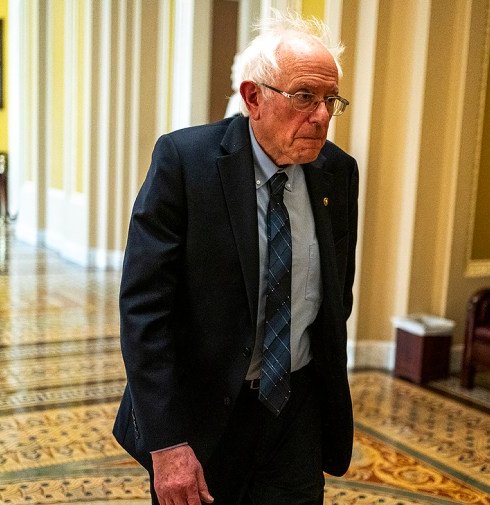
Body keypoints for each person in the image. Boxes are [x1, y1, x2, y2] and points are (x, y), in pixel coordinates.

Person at [113, 10, 357, 505]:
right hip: (200, 421)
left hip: (296, 413)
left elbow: (335, 294)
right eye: (305, 97)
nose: (322, 115)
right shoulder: (186, 162)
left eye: (331, 100)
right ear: (254, 98)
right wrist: (167, 441)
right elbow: (145, 311)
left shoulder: (337, 173)